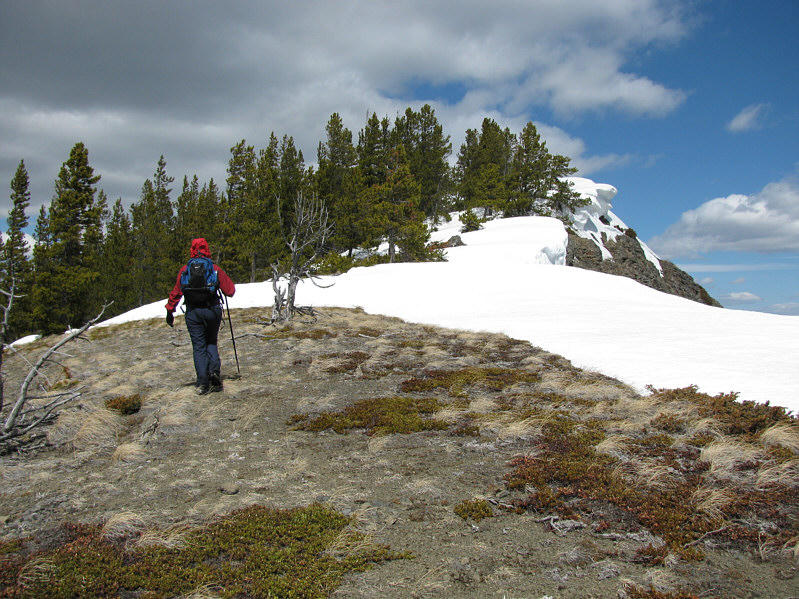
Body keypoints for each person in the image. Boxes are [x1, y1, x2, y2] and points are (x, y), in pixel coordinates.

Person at [166, 238, 236, 394]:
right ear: (207, 249)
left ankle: (203, 383)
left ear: (192, 250)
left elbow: (176, 292)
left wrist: (170, 311)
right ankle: (215, 374)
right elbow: (230, 291)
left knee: (198, 346)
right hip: (212, 310)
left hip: (193, 312)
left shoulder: (185, 269)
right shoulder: (214, 268)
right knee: (211, 341)